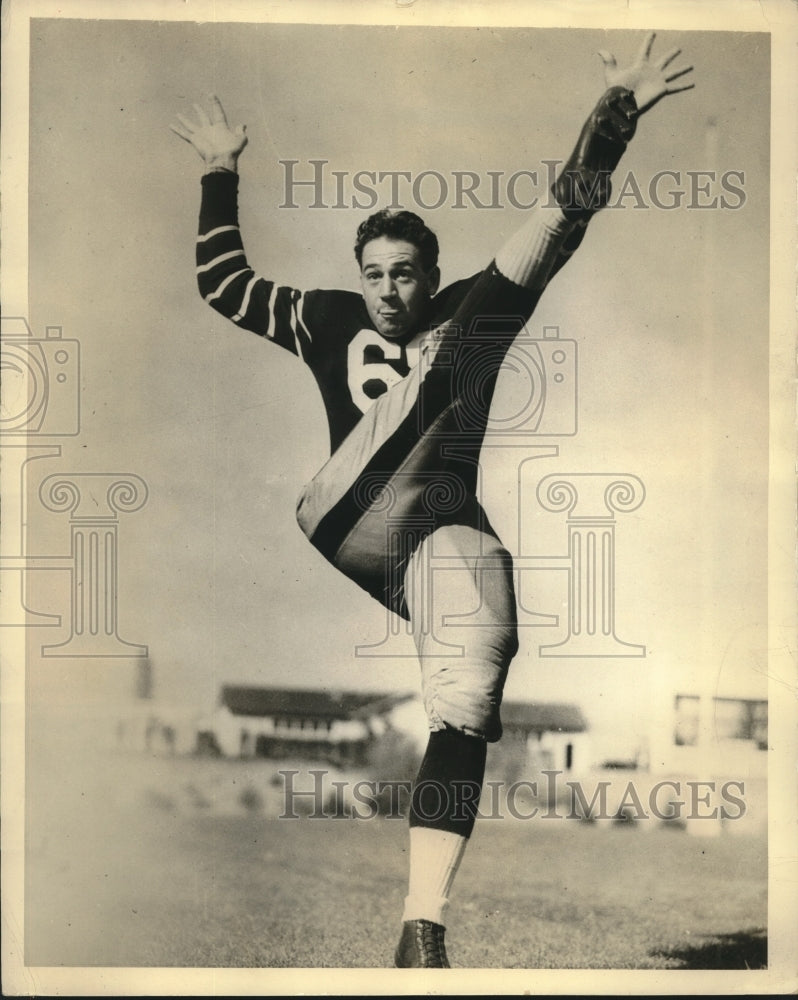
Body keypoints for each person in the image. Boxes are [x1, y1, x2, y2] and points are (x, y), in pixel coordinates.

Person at [171, 32, 693, 968]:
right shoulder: (330, 317)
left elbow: (561, 227)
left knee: (474, 669)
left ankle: (423, 928)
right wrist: (219, 170)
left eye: (402, 273)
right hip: (343, 509)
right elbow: (221, 285)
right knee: (463, 347)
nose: (384, 291)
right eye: (372, 273)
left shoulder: (461, 305)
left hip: (425, 544)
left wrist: (613, 125)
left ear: (427, 270)